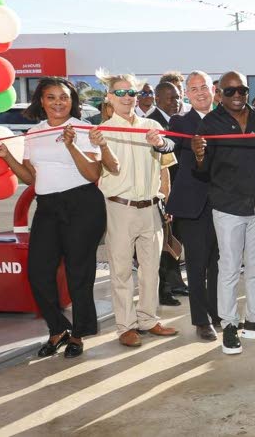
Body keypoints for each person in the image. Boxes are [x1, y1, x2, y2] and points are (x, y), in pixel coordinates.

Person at [0, 77, 106, 359]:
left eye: (64, 97)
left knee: (79, 273)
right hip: (47, 206)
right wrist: (7, 156)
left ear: (72, 101)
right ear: (41, 101)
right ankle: (58, 329)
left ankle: (79, 333)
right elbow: (31, 178)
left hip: (83, 204)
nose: (58, 102)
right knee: (38, 272)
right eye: (51, 97)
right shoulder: (34, 133)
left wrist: (71, 145)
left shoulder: (84, 129)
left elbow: (93, 175)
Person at [192, 71, 255, 355]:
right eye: (231, 91)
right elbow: (201, 169)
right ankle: (228, 323)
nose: (238, 95)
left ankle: (254, 319)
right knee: (229, 268)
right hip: (226, 206)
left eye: (243, 90)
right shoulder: (210, 123)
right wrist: (200, 154)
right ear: (219, 94)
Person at [93, 71, 179, 347]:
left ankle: (148, 319)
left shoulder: (151, 124)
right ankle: (126, 327)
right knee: (120, 271)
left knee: (151, 269)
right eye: (120, 93)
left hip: (151, 208)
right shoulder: (100, 132)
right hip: (119, 208)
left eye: (132, 92)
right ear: (109, 97)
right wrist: (101, 146)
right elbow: (106, 168)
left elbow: (167, 155)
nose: (127, 97)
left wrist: (165, 200)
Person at [166, 71, 222, 341]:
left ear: (213, 90)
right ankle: (201, 320)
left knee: (219, 264)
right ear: (187, 94)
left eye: (204, 87)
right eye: (194, 89)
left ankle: (217, 312)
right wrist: (159, 143)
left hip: (224, 204)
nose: (200, 92)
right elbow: (168, 144)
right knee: (198, 265)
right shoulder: (180, 122)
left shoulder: (226, 120)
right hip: (192, 207)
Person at [149, 80, 189, 304]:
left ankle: (175, 281)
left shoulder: (178, 121)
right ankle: (163, 289)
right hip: (162, 190)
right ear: (158, 99)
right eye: (171, 98)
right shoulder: (152, 123)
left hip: (179, 188)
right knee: (162, 241)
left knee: (175, 238)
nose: (176, 102)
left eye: (177, 97)